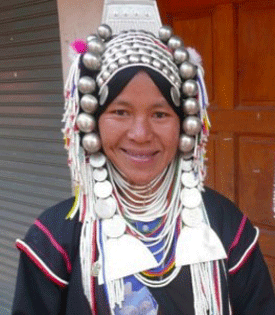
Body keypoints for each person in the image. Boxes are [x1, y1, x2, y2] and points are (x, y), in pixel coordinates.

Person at [12, 10, 275, 315]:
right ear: (91, 123)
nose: (140, 134)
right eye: (120, 112)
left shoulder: (225, 225)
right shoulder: (55, 241)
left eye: (160, 114)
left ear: (185, 125)